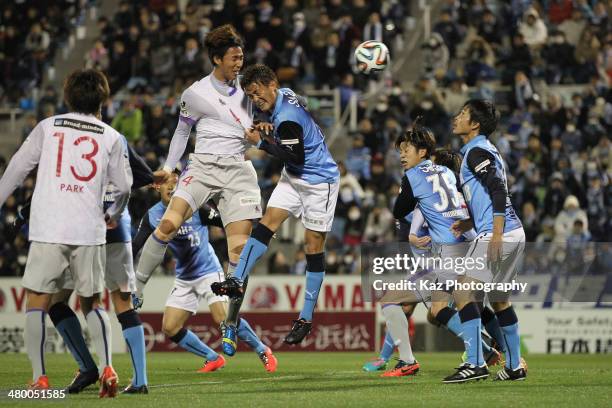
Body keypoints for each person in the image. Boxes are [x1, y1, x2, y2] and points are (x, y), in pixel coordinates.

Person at [0, 69, 132, 391]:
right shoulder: (111, 136)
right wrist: (112, 212)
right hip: (89, 229)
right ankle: (108, 370)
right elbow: (125, 186)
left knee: (37, 301)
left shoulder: (49, 126)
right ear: (102, 99)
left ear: (67, 96)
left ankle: (39, 378)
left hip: (49, 227)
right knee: (91, 304)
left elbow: (18, 166)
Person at [134, 24, 262, 353]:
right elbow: (181, 132)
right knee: (167, 224)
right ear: (217, 59)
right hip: (202, 166)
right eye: (234, 58)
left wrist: (260, 137)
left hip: (237, 170)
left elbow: (261, 130)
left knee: (238, 255)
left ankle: (230, 325)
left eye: (242, 57)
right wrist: (169, 166)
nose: (239, 63)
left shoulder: (251, 91)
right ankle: (138, 287)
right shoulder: (195, 93)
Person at [212, 64, 340, 352]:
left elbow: (293, 156)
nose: (256, 101)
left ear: (271, 85)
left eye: (257, 94)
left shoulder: (288, 118)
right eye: (251, 96)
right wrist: (268, 126)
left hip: (320, 182)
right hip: (294, 179)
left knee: (312, 246)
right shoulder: (285, 94)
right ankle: (236, 279)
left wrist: (262, 142)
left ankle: (305, 318)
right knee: (266, 223)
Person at [132, 174, 278, 373]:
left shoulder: (195, 209)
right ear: (157, 187)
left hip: (209, 271)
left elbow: (226, 221)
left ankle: (263, 350)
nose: (172, 187)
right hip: (184, 277)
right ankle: (212, 357)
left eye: (176, 182)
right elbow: (136, 245)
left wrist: (256, 229)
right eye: (167, 183)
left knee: (223, 319)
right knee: (170, 327)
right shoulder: (152, 216)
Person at [47, 141, 153, 395]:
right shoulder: (116, 138)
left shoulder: (67, 139)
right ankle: (139, 381)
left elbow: (55, 187)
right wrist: (114, 189)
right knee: (122, 303)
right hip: (118, 229)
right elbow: (146, 175)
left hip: (83, 231)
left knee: (62, 302)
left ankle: (90, 368)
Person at [448, 99, 526, 382]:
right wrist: (471, 221)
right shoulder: (482, 150)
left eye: (463, 113)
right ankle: (515, 366)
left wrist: (494, 233)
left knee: (462, 292)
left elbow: (497, 190)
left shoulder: (476, 151)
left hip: (500, 232)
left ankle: (475, 363)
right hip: (512, 231)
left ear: (475, 124)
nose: (456, 117)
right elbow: (492, 192)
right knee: (499, 300)